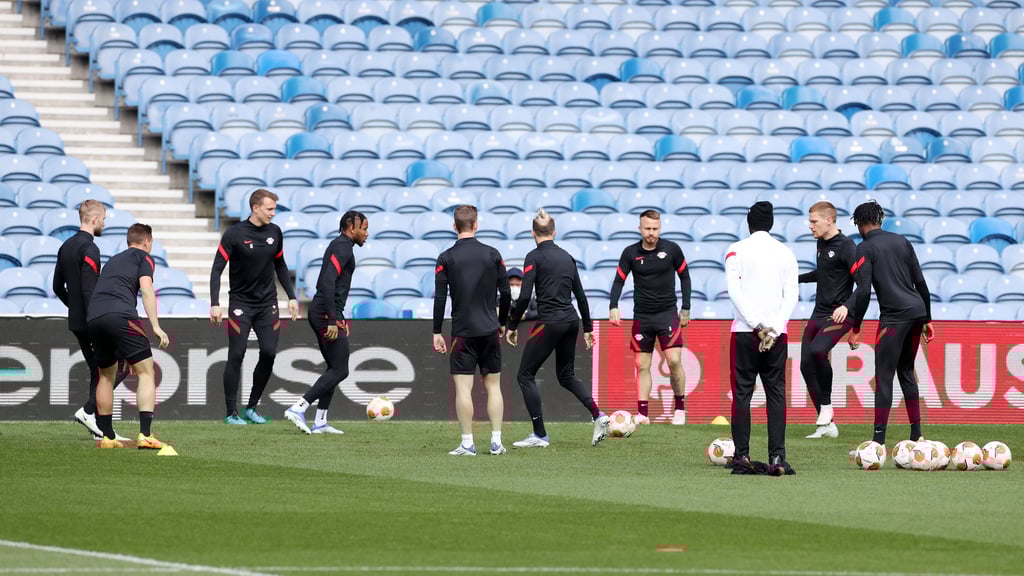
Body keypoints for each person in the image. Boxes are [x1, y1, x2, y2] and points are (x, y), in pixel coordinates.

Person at [832, 201, 933, 447]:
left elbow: (864, 292)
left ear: (858, 223)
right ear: (880, 219)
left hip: (894, 317)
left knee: (884, 377)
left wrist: (855, 328)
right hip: (917, 311)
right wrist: (927, 319)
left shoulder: (865, 248)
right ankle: (916, 435)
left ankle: (878, 441)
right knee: (907, 372)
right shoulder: (902, 241)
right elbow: (920, 283)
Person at [505, 209, 608, 448]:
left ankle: (540, 435)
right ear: (555, 232)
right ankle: (598, 414)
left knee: (524, 375)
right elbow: (581, 296)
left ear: (532, 233)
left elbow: (524, 297)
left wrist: (511, 325)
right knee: (566, 375)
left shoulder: (533, 256)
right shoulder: (567, 257)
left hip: (550, 321)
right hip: (571, 321)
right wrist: (589, 328)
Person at [209, 189, 299, 425]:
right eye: (270, 209)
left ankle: (252, 407)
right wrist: (215, 303)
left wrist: (291, 296)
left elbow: (280, 265)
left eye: (274, 209)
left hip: (267, 304)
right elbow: (217, 268)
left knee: (269, 352)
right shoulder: (234, 234)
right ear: (255, 208)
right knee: (236, 354)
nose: (273, 213)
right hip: (241, 304)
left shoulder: (275, 232)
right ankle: (231, 412)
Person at [725, 201, 799, 475]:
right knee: (776, 394)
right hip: (776, 335)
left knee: (742, 394)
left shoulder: (735, 250)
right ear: (771, 223)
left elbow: (735, 291)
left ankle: (742, 457)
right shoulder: (786, 253)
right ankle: (778, 457)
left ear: (749, 223)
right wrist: (775, 328)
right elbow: (792, 295)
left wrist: (757, 326)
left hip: (746, 333)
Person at [432, 205, 511, 456]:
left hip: (463, 332)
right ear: (476, 225)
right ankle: (496, 441)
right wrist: (502, 323)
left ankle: (468, 443)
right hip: (489, 329)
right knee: (494, 387)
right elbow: (507, 293)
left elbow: (440, 299)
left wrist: (436, 331)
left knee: (463, 389)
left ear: (454, 226)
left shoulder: (446, 257)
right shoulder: (493, 254)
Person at [284, 211, 368, 435]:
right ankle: (299, 407)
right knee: (340, 369)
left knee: (335, 367)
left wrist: (338, 315)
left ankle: (320, 420)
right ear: (352, 228)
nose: (366, 233)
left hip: (327, 312)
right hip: (323, 313)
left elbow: (333, 283)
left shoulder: (342, 246)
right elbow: (328, 282)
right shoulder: (342, 247)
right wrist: (332, 318)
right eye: (364, 228)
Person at [87, 223, 170, 449]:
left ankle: (107, 437)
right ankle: (145, 434)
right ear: (147, 241)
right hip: (121, 315)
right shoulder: (144, 258)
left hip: (94, 317)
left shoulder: (113, 260)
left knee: (105, 376)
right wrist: (155, 326)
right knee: (146, 371)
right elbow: (146, 289)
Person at [608, 210, 692, 425]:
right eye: (647, 229)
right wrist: (613, 306)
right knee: (641, 364)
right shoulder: (630, 253)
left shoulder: (672, 249)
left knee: (674, 361)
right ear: (640, 229)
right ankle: (643, 414)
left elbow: (685, 276)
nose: (651, 233)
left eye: (655, 229)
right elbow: (619, 281)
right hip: (642, 316)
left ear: (660, 228)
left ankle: (680, 409)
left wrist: (686, 308)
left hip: (667, 314)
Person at [53, 200, 128, 441]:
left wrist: (74, 309)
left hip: (77, 320)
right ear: (94, 219)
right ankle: (89, 412)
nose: (105, 223)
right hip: (92, 320)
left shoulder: (65, 246)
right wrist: (95, 316)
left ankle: (99, 427)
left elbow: (57, 287)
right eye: (104, 219)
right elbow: (89, 290)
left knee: (99, 369)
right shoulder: (90, 249)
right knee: (118, 365)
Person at [797, 202, 857, 439]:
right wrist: (795, 279)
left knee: (819, 350)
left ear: (830, 220)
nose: (809, 225)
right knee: (805, 364)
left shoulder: (847, 247)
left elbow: (864, 284)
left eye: (813, 221)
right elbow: (823, 275)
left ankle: (827, 405)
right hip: (819, 311)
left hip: (839, 313)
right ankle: (827, 425)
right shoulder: (821, 243)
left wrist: (847, 306)